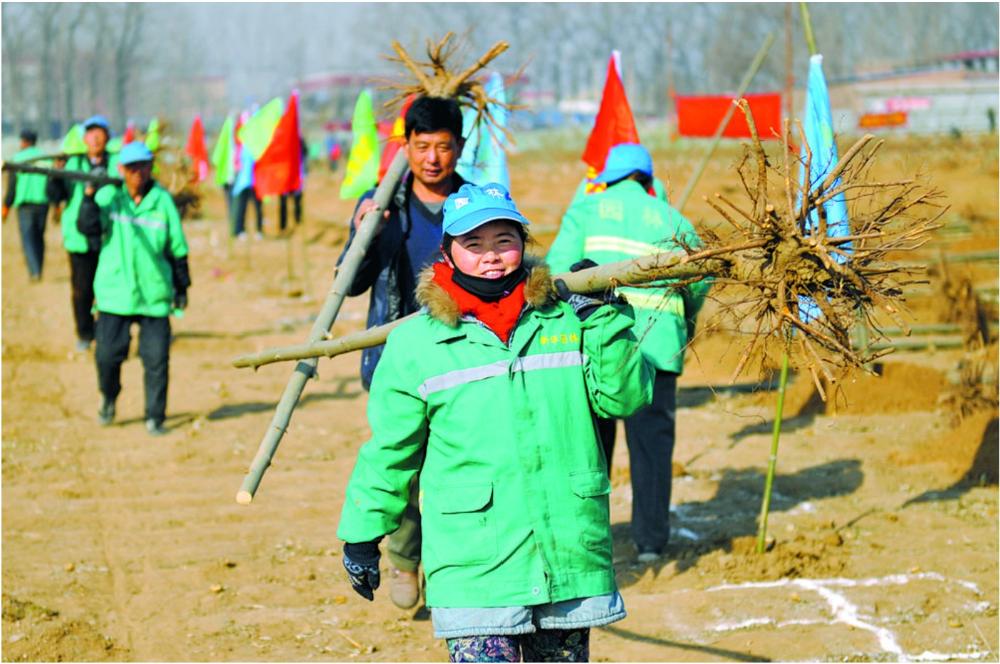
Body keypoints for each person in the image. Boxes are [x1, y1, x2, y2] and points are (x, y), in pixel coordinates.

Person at [338, 182, 653, 662]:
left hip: (565, 553)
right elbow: (390, 450)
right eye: (473, 244)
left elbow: (624, 397)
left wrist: (606, 317)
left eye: (503, 240)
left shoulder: (568, 320)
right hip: (475, 564)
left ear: (523, 245)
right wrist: (362, 534)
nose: (490, 256)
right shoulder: (415, 345)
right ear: (447, 252)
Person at [546, 143, 710, 564]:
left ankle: (589, 536)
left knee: (591, 446)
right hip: (657, 349)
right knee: (652, 448)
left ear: (608, 177)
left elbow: (556, 277)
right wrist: (682, 325)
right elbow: (698, 284)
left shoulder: (585, 211)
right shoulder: (676, 220)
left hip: (594, 348)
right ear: (647, 179)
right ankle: (651, 543)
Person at [338, 95, 469, 609]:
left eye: (443, 146)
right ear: (407, 147)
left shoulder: (477, 202)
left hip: (464, 356)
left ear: (459, 147)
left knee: (456, 468)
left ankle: (445, 569)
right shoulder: (382, 202)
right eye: (422, 146)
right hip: (395, 360)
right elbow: (351, 283)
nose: (433, 158)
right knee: (404, 463)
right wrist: (366, 232)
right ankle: (404, 558)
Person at [77, 142, 191, 437]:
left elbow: (177, 247)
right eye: (131, 168)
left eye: (142, 166)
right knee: (107, 356)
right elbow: (86, 227)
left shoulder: (162, 202)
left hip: (154, 294)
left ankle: (155, 416)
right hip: (115, 293)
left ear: (150, 166)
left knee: (156, 359)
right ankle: (109, 397)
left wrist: (182, 286)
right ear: (121, 170)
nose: (137, 173)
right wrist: (89, 194)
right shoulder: (110, 198)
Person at [47, 115, 119, 351]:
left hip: (112, 238)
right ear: (85, 138)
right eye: (91, 133)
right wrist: (56, 174)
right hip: (79, 239)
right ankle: (85, 333)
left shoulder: (117, 164)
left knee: (110, 288)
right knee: (82, 290)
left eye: (100, 132)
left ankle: (108, 334)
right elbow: (56, 196)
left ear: (107, 137)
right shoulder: (73, 164)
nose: (96, 137)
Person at [3, 129, 50, 281]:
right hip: (43, 203)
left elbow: (12, 187)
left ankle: (34, 271)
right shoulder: (46, 158)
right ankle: (39, 268)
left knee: (28, 238)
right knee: (39, 237)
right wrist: (56, 205)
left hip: (25, 205)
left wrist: (5, 207)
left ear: (24, 141)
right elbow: (51, 183)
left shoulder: (18, 159)